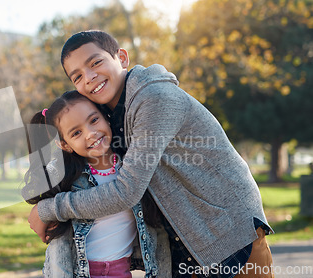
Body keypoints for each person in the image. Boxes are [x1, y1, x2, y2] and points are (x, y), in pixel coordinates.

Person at [28, 30, 274, 278]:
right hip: (186, 240)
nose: (89, 77)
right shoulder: (105, 113)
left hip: (227, 232)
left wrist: (48, 210)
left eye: (95, 62)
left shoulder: (154, 99)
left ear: (121, 58)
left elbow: (127, 191)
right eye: (77, 76)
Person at [22, 90, 168, 278]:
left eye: (93, 120)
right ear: (64, 145)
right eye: (76, 133)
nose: (91, 134)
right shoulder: (64, 179)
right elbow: (56, 243)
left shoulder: (133, 168)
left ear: (105, 117)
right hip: (78, 272)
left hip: (121, 272)